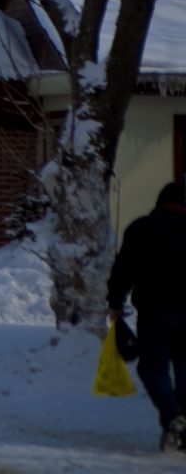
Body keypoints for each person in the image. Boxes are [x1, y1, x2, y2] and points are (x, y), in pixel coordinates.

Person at [109, 180, 186, 452]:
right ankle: (181, 428)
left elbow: (123, 269)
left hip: (156, 311)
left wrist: (115, 301)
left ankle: (173, 415)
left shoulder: (141, 228)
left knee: (152, 368)